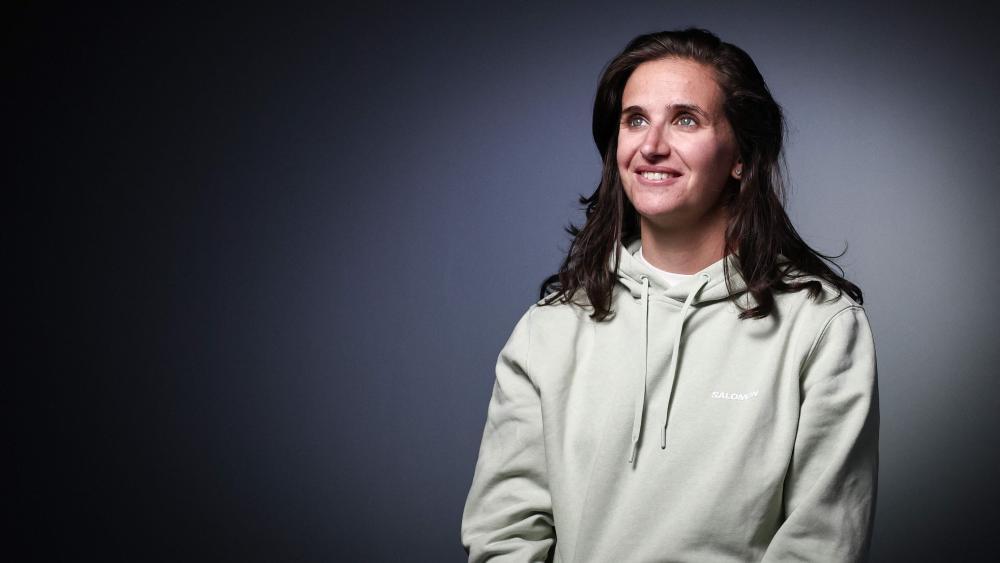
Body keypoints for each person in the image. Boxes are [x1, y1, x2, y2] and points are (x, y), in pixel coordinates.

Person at [461, 28, 879, 562]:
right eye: (635, 120)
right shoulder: (549, 329)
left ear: (741, 155)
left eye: (686, 119)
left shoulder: (820, 326)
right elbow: (504, 536)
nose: (652, 145)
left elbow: (820, 544)